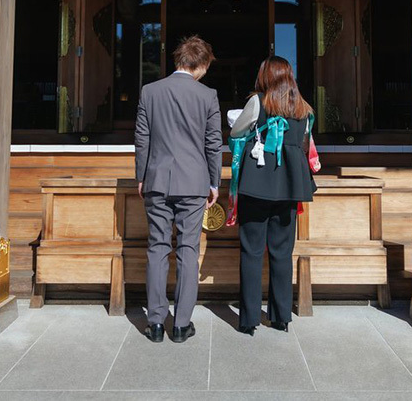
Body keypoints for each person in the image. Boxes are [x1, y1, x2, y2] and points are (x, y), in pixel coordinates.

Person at [134, 35, 221, 343]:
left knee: (157, 248)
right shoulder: (207, 96)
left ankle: (156, 323)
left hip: (157, 179)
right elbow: (213, 143)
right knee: (187, 250)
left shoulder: (150, 91)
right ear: (201, 64)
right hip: (194, 182)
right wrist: (214, 182)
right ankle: (182, 324)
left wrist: (141, 176)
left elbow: (142, 139)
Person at [229, 56, 315, 335]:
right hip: (290, 184)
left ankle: (249, 319)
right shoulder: (303, 107)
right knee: (282, 252)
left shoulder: (258, 102)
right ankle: (281, 317)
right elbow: (305, 143)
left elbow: (237, 130)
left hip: (258, 183)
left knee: (252, 251)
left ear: (265, 76)